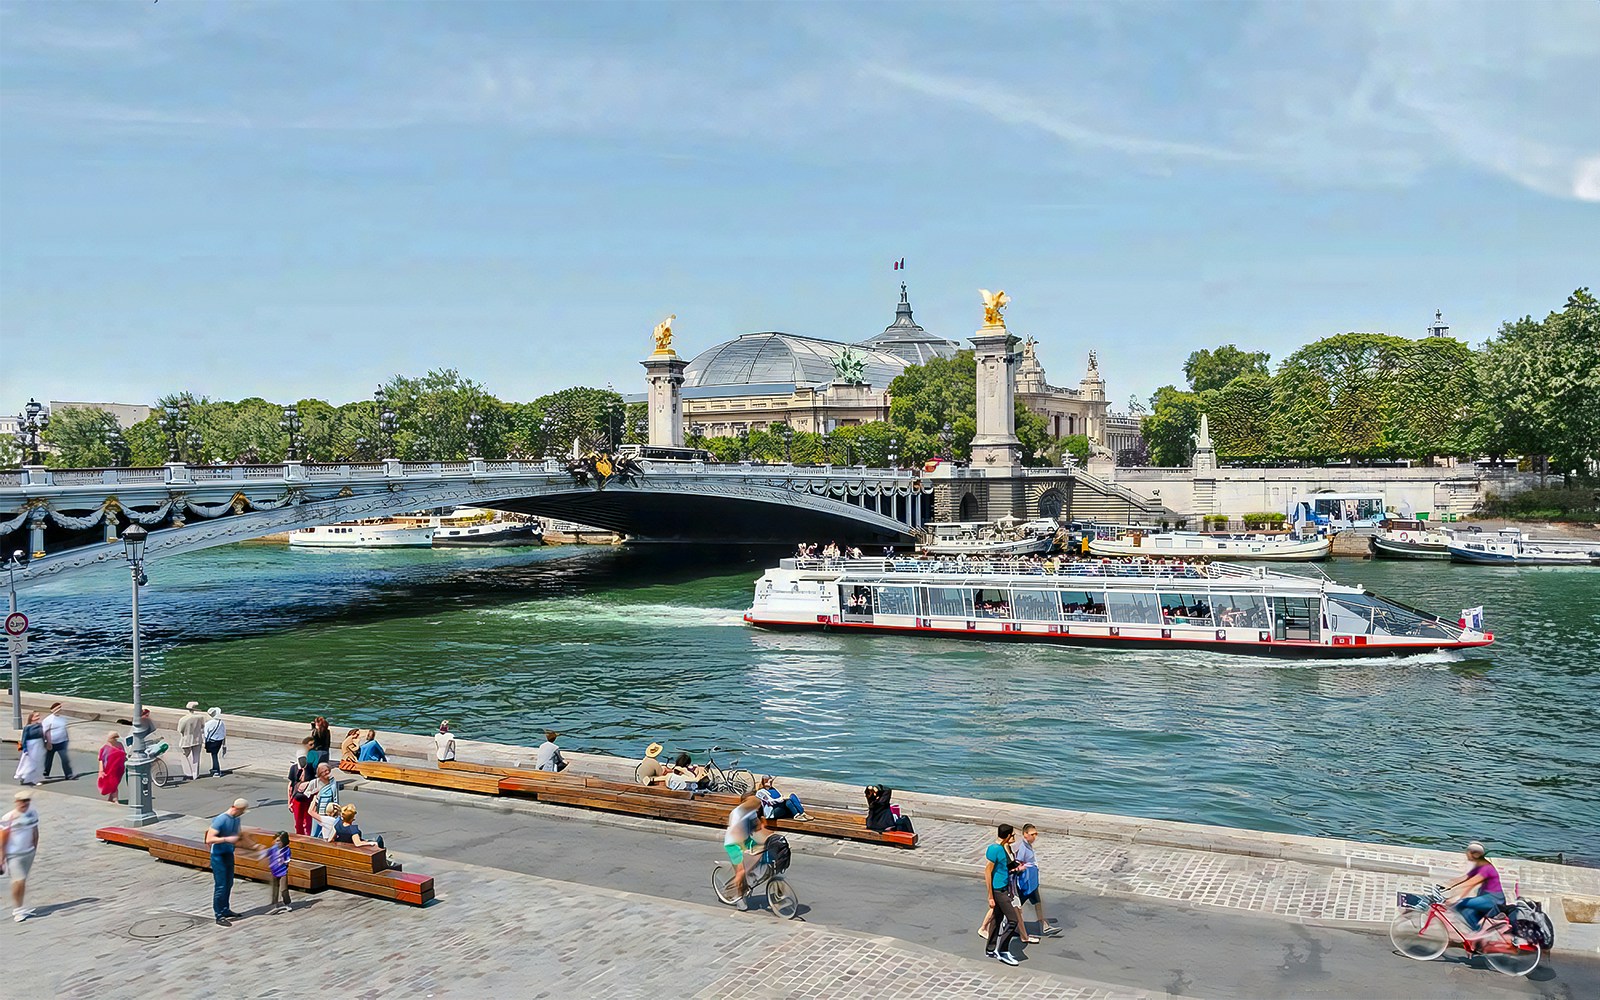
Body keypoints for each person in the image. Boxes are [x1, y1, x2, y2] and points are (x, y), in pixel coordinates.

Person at [983, 824, 1026, 966]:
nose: (1013, 837)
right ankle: (1002, 951)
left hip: (1003, 887)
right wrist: (990, 896)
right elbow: (987, 872)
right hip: (998, 890)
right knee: (1012, 920)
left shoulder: (1002, 848)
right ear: (1007, 836)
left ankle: (990, 949)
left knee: (997, 918)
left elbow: (1005, 867)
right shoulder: (994, 849)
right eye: (1012, 835)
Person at [205, 798, 249, 926]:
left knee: (229, 883)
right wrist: (226, 839)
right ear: (235, 808)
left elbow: (238, 835)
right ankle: (218, 914)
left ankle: (225, 909)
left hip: (229, 853)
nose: (242, 813)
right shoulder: (221, 819)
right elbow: (209, 838)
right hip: (218, 856)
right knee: (221, 885)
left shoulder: (236, 819)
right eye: (241, 811)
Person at [1446, 842, 1506, 933]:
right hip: (1486, 897)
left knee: (1459, 904)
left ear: (1475, 854)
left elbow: (1471, 883)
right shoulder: (1479, 865)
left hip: (1494, 900)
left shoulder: (1486, 868)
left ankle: (1479, 932)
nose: (1466, 854)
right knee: (1467, 912)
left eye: (1468, 852)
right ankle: (1479, 934)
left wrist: (1457, 898)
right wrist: (1447, 884)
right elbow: (1465, 878)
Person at [2, 788, 40, 922]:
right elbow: (2, 839)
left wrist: (34, 848)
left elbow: (35, 831)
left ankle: (21, 906)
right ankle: (18, 910)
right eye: (22, 801)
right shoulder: (8, 818)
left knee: (22, 881)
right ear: (16, 802)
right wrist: (1, 858)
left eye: (27, 801)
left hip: (28, 852)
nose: (25, 804)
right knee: (19, 880)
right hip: (14, 854)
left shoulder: (32, 814)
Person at [1014, 824, 1057, 936]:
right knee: (1017, 904)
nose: (1034, 837)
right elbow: (1018, 863)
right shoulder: (1023, 847)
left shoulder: (1027, 845)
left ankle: (1043, 925)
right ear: (1025, 834)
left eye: (1035, 834)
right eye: (1032, 834)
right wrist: (1023, 869)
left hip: (1031, 880)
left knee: (1037, 902)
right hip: (1027, 881)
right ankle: (1007, 923)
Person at [723, 795, 763, 910]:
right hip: (733, 843)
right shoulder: (736, 813)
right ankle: (739, 897)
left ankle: (751, 875)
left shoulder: (752, 812)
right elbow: (737, 832)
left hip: (746, 840)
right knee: (741, 871)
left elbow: (758, 828)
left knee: (764, 852)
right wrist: (745, 849)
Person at [287, 739, 315, 836]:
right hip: (297, 798)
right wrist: (289, 801)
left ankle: (307, 837)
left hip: (308, 797)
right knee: (298, 820)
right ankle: (299, 836)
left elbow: (314, 782)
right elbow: (290, 785)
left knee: (307, 820)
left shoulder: (310, 768)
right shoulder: (294, 768)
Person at [41, 702, 75, 781]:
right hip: (51, 743)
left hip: (62, 742)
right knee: (48, 759)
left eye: (59, 708)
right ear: (52, 710)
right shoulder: (48, 720)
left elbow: (64, 729)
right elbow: (44, 732)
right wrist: (47, 742)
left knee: (65, 759)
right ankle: (45, 772)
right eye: (56, 709)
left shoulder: (63, 719)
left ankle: (68, 774)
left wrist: (67, 739)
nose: (58, 710)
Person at [13, 711, 44, 786]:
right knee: (28, 764)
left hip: (38, 746)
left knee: (37, 764)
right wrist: (25, 749)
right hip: (30, 746)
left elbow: (42, 736)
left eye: (38, 716)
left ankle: (35, 779)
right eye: (36, 716)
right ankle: (23, 776)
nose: (38, 718)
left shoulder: (40, 726)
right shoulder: (27, 727)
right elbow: (24, 739)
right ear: (31, 718)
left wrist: (45, 744)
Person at [265, 831, 293, 913]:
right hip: (274, 871)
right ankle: (274, 904)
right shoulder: (273, 849)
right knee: (275, 888)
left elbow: (287, 859)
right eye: (276, 841)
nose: (277, 843)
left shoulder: (286, 849)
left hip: (283, 872)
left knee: (284, 889)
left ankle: (287, 903)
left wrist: (285, 862)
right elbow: (266, 854)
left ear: (283, 841)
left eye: (279, 841)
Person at [177, 701, 206, 781]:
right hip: (197, 738)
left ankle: (188, 773)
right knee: (196, 757)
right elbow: (203, 727)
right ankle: (195, 774)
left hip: (186, 739)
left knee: (185, 756)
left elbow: (180, 730)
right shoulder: (200, 717)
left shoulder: (183, 719)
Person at [97, 731, 127, 803]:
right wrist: (101, 771)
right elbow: (100, 759)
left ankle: (111, 797)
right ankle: (115, 798)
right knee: (113, 783)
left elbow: (124, 754)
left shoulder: (120, 744)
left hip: (119, 768)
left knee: (115, 783)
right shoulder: (105, 748)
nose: (108, 739)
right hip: (109, 769)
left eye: (110, 738)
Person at [202, 707, 227, 777]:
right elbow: (224, 733)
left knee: (214, 755)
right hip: (219, 741)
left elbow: (206, 734)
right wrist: (224, 744)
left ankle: (217, 771)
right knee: (214, 755)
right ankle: (214, 768)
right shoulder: (221, 722)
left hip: (212, 741)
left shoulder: (208, 723)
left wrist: (205, 743)